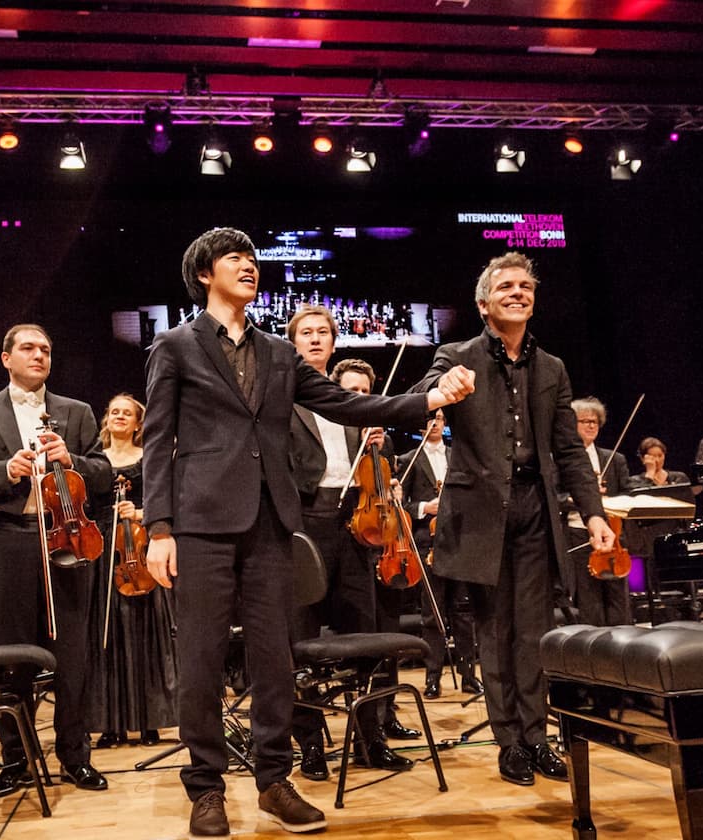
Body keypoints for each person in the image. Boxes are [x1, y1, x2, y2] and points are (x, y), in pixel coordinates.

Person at [141, 227, 473, 837]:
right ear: (203, 273)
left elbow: (348, 406)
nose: (248, 265)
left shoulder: (276, 351)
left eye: (251, 257)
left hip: (271, 522)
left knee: (275, 659)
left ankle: (273, 781)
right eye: (233, 258)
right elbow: (158, 442)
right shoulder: (175, 346)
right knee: (203, 660)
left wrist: (424, 401)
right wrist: (159, 527)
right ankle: (206, 788)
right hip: (202, 526)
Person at [412, 251, 614, 787]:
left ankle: (537, 734)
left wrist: (592, 513)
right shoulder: (456, 355)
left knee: (534, 632)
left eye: (526, 286)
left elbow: (569, 451)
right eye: (506, 287)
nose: (518, 292)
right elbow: (418, 401)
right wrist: (441, 390)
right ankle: (509, 741)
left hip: (535, 509)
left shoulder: (553, 369)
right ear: (484, 303)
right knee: (495, 631)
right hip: (480, 513)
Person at [0, 323, 111, 798]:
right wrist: (6, 470)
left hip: (67, 537)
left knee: (72, 655)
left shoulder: (76, 412)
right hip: (10, 541)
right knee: (13, 655)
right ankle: (16, 760)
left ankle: (75, 757)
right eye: (28, 348)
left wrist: (74, 461)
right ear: (6, 358)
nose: (38, 355)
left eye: (45, 349)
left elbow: (104, 472)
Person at [285, 348, 416, 782]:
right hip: (305, 528)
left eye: (323, 332)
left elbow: (378, 474)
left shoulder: (360, 418)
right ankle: (309, 744)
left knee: (366, 634)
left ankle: (370, 739)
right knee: (299, 640)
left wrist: (383, 447)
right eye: (306, 333)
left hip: (355, 531)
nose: (315, 339)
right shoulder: (291, 407)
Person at [87, 393, 178, 749]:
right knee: (106, 637)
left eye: (128, 413)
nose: (120, 417)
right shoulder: (94, 462)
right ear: (106, 420)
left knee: (143, 637)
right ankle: (111, 725)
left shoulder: (149, 459)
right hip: (103, 552)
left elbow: (166, 500)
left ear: (139, 423)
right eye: (114, 412)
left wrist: (140, 513)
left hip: (138, 554)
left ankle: (149, 721)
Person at [395, 409, 480, 700]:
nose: (434, 423)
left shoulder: (458, 456)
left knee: (463, 611)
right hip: (426, 541)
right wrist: (424, 508)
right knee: (432, 613)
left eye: (440, 418)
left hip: (459, 541)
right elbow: (399, 505)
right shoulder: (408, 461)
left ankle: (469, 674)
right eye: (429, 418)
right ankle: (432, 678)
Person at [560, 397, 635, 627]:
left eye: (594, 421)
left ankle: (624, 648)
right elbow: (555, 497)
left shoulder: (615, 460)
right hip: (578, 533)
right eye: (584, 421)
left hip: (613, 534)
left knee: (618, 598)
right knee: (588, 598)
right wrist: (579, 498)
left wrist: (606, 497)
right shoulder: (562, 462)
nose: (591, 426)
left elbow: (628, 494)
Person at [625, 436, 690, 490]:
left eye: (660, 455)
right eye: (652, 456)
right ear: (642, 458)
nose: (657, 460)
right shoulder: (635, 481)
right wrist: (650, 473)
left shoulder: (679, 478)